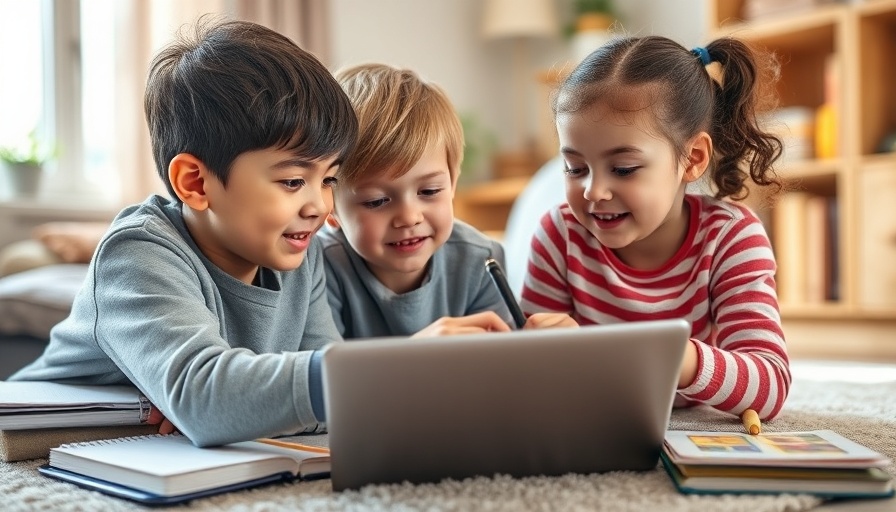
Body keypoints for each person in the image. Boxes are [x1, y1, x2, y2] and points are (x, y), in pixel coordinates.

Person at [10, 18, 358, 446]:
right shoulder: (137, 252)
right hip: (32, 447)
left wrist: (239, 407)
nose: (320, 206)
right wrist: (218, 404)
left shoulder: (301, 255)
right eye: (292, 182)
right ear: (195, 183)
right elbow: (208, 398)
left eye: (328, 180)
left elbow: (331, 402)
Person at [520, 36, 791, 420]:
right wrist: (536, 352)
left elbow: (770, 385)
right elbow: (529, 381)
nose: (594, 191)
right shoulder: (559, 234)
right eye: (575, 169)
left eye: (624, 169)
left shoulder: (732, 238)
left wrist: (674, 355)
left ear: (693, 158)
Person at [319, 64, 573, 338]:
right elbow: (324, 372)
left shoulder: (480, 260)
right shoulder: (320, 268)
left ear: (452, 184)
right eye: (376, 201)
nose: (409, 217)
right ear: (330, 208)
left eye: (429, 191)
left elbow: (499, 364)